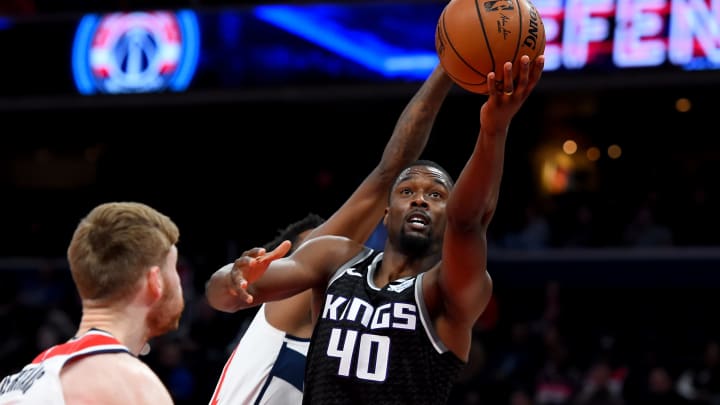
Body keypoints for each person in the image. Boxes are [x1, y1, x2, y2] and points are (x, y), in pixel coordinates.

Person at [226, 54, 545, 404]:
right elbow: (228, 291)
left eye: (436, 195)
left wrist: (492, 128)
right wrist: (234, 277)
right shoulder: (317, 279)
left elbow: (466, 221)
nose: (421, 200)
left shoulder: (434, 293)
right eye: (408, 192)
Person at [205, 63, 455, 404]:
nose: (333, 251)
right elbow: (390, 171)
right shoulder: (291, 300)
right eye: (319, 242)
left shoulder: (351, 328)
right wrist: (446, 69)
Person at [0, 202, 184, 405]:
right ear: (155, 281)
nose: (179, 282)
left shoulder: (20, 379)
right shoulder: (133, 386)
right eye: (174, 269)